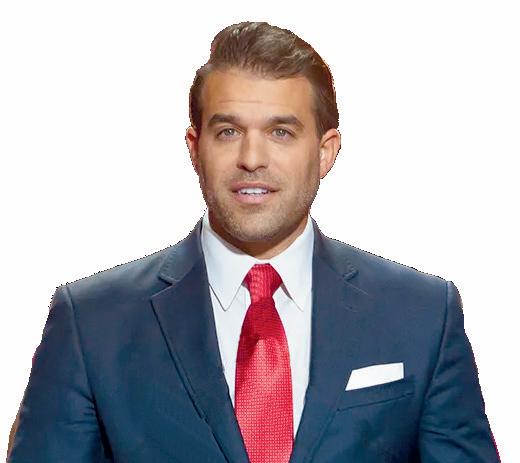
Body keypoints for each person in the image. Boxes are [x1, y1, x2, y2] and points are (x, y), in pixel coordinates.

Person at [7, 21, 500, 463]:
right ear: (195, 148)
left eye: (281, 132)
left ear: (325, 152)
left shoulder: (422, 314)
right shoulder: (92, 322)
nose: (251, 158)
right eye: (227, 132)